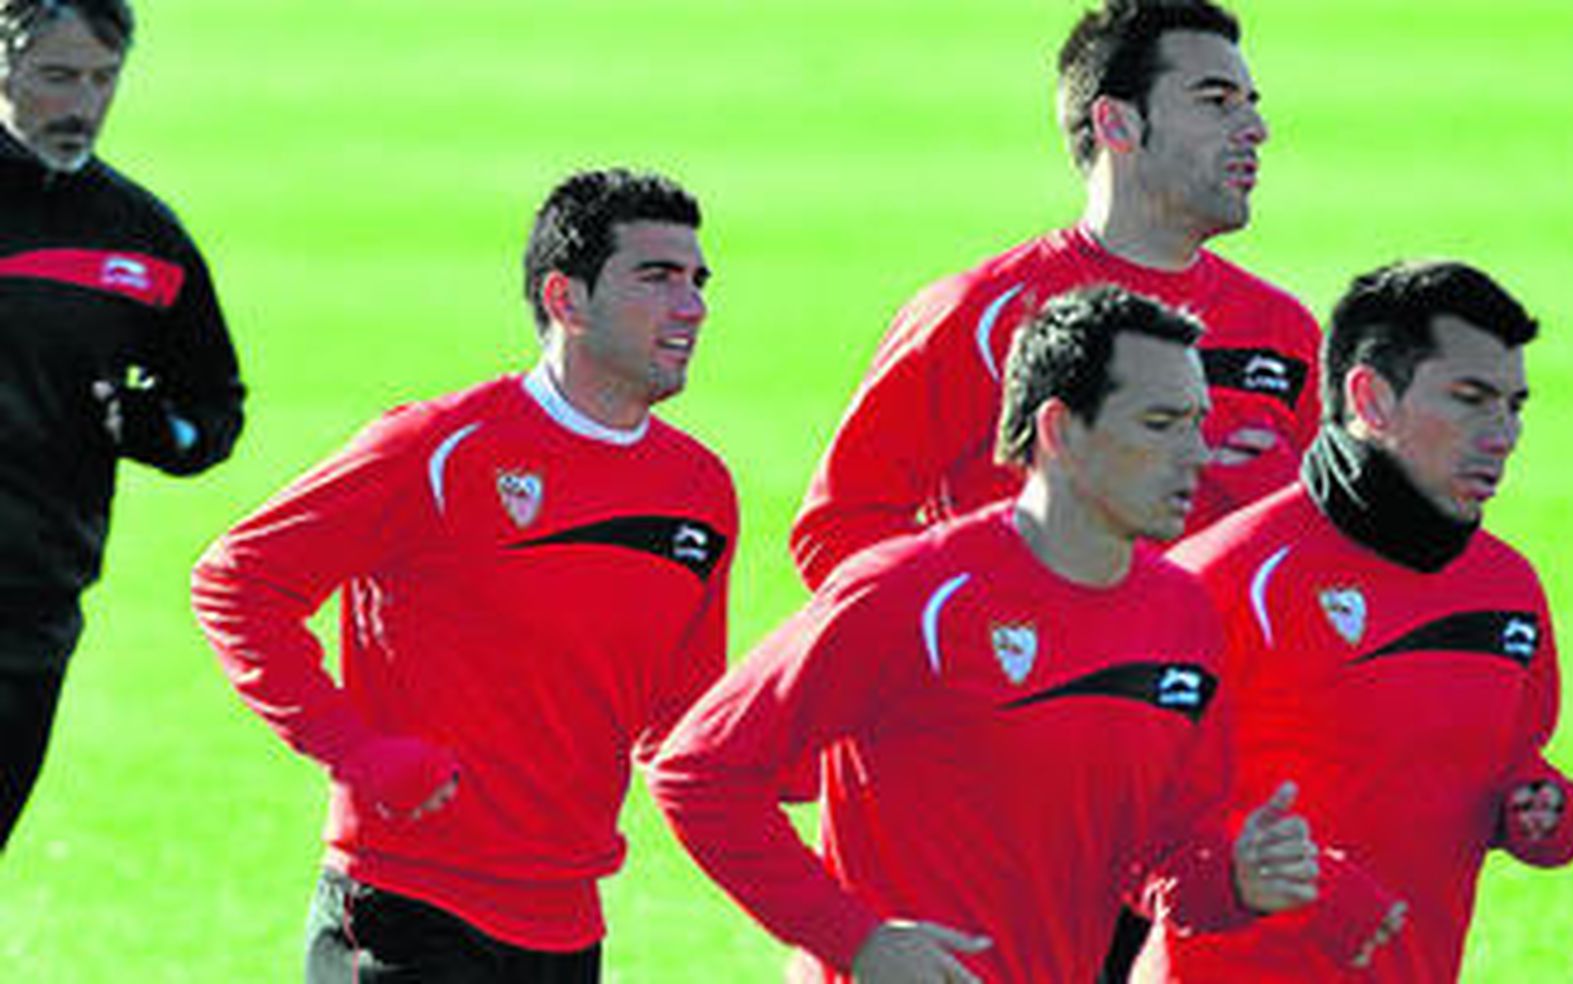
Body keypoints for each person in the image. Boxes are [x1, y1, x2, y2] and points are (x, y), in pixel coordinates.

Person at [649, 286, 1323, 983]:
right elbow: (699, 771)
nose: (1197, 453)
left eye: (1197, 422)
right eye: (1161, 423)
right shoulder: (913, 594)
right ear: (1059, 429)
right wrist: (857, 940)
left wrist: (1238, 881)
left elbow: (1160, 857)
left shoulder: (1182, 616)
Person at [191, 168, 736, 983]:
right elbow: (238, 582)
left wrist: (798, 752)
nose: (690, 306)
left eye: (697, 281)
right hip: (406, 909)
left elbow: (681, 714)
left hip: (566, 923)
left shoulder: (700, 492)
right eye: (656, 277)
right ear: (566, 298)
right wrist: (356, 750)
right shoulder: (437, 448)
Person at [1135, 260, 1573, 981]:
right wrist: (1248, 880)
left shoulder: (1507, 589)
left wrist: (1544, 811)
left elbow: (1506, 762)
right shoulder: (1216, 581)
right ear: (1370, 398)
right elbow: (1104, 819)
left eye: (1514, 405)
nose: (1503, 434)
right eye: (1471, 399)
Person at [790, 0, 1321, 592]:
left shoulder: (1286, 332)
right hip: (1035, 681)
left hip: (1213, 684)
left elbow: (1340, 562)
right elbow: (839, 527)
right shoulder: (979, 315)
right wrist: (993, 634)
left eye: (1251, 106)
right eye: (1216, 101)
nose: (1255, 129)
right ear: (1117, 123)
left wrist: (1296, 505)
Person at [0, 0, 244, 849]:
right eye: (58, 77)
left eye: (103, 79)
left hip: (32, 606)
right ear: (5, 69)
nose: (83, 104)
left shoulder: (143, 241)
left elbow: (212, 408)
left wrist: (158, 432)